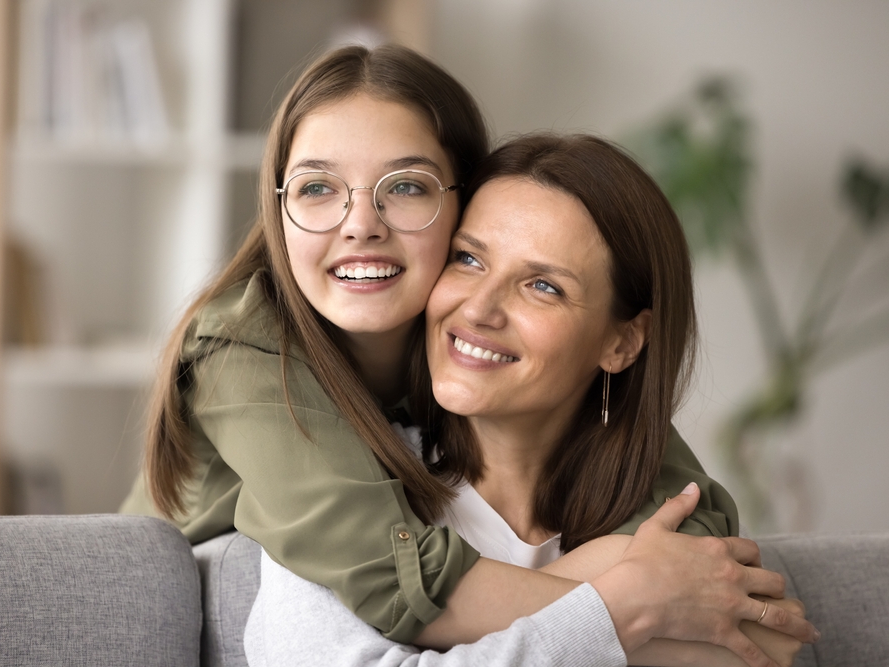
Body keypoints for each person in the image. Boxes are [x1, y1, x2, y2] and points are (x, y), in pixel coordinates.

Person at [119, 45, 817, 662]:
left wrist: (662, 580)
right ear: (278, 207)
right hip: (142, 613)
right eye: (317, 187)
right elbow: (395, 581)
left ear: (462, 202)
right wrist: (631, 596)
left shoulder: (471, 355)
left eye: (407, 187)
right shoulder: (241, 347)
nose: (361, 223)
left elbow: (690, 520)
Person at [244, 133, 810, 666]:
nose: (480, 309)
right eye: (468, 259)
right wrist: (627, 598)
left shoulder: (665, 516)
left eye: (544, 286)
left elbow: (761, 643)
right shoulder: (345, 487)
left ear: (622, 341)